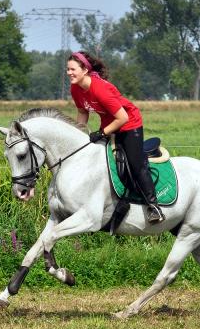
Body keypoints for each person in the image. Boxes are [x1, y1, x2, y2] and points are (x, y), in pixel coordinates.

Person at [67, 51, 165, 223]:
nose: (69, 73)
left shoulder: (99, 89)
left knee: (135, 165)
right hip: (109, 124)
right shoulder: (76, 89)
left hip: (129, 124)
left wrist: (102, 133)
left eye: (72, 69)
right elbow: (82, 112)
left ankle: (154, 206)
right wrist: (80, 133)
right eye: (67, 69)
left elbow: (123, 118)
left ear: (84, 70)